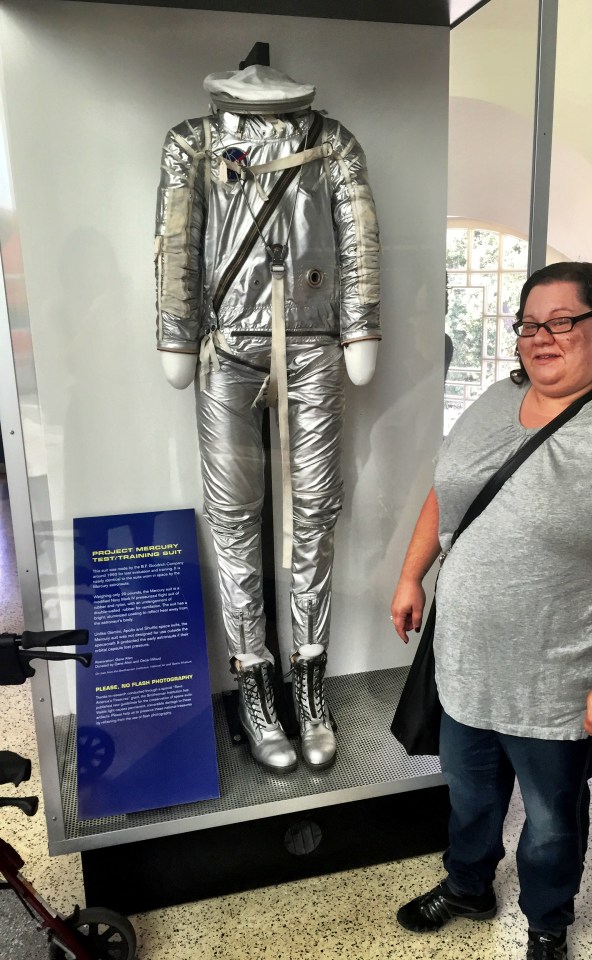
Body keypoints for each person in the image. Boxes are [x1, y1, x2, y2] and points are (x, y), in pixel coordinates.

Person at [390, 262, 592, 960]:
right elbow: (449, 490)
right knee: (469, 797)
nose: (541, 336)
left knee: (552, 820)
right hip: (464, 663)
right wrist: (412, 575)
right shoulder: (494, 401)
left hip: (559, 682)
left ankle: (546, 924)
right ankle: (468, 886)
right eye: (529, 323)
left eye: (562, 321)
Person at [155, 65, 381, 773]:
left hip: (314, 341)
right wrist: (176, 332)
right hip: (227, 344)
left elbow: (359, 239)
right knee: (233, 518)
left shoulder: (333, 141)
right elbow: (177, 239)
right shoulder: (193, 142)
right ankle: (255, 682)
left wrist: (360, 327)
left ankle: (309, 684)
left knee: (316, 511)